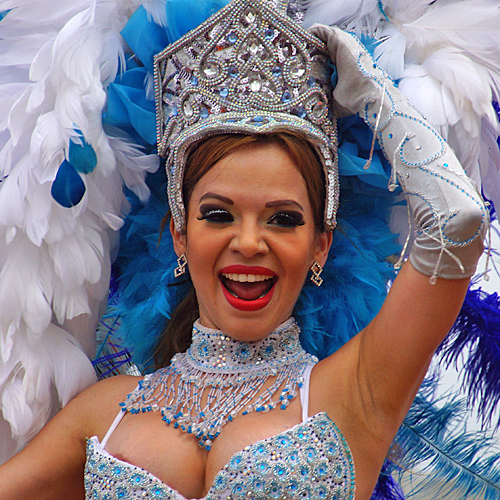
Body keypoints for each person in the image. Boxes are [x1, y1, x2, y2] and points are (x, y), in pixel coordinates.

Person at [0, 0, 495, 499]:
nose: (250, 242)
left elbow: (458, 221)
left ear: (320, 246)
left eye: (283, 219)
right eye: (218, 214)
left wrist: (374, 94)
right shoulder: (101, 415)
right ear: (179, 233)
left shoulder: (358, 391)